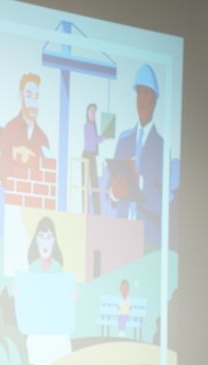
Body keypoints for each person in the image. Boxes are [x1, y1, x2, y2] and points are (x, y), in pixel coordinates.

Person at [109, 64, 164, 246]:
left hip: (148, 237)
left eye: (147, 94)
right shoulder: (124, 141)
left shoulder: (161, 147)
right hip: (121, 233)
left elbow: (164, 204)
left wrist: (140, 187)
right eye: (139, 93)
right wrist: (114, 194)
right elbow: (110, 189)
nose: (141, 100)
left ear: (154, 99)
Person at [0, 73, 50, 181]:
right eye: (29, 96)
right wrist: (13, 153)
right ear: (20, 96)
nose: (33, 103)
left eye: (36, 97)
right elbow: (2, 169)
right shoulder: (9, 129)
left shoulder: (43, 138)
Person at [82, 103, 102, 214]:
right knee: (85, 184)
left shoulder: (94, 126)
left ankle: (97, 212)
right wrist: (103, 137)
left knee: (95, 184)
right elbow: (93, 140)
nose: (93, 113)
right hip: (86, 156)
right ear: (87, 113)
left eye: (94, 111)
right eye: (91, 111)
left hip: (93, 156)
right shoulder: (87, 126)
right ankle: (84, 210)